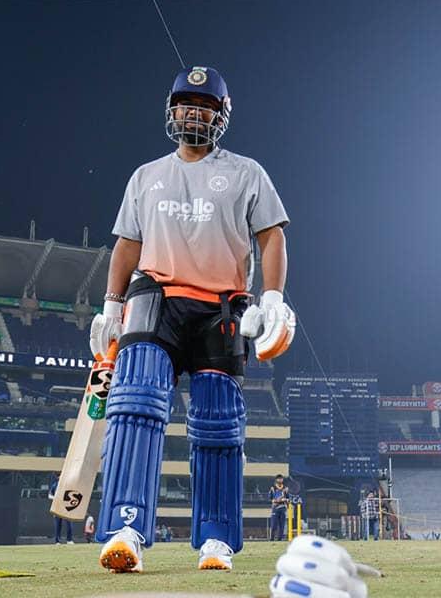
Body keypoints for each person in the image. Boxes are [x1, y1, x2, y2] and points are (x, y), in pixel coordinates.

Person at [90, 65, 293, 573]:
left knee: (219, 422)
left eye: (204, 106)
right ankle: (125, 530)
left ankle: (216, 539)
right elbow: (127, 244)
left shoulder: (247, 172)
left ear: (221, 115)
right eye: (185, 104)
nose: (193, 113)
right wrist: (111, 304)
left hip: (222, 305)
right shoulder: (146, 176)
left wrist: (272, 298)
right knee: (135, 404)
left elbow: (272, 236)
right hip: (155, 296)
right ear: (172, 111)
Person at [48, 475, 74, 544]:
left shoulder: (68, 485)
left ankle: (69, 540)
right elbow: (49, 495)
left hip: (66, 507)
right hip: (57, 507)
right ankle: (57, 541)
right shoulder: (55, 485)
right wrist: (55, 498)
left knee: (69, 524)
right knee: (58, 525)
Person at [268, 475, 290, 541]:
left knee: (282, 525)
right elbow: (270, 498)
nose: (280, 480)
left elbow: (288, 498)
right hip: (275, 507)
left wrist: (286, 500)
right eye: (279, 479)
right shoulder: (273, 488)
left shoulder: (285, 488)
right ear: (276, 480)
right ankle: (272, 538)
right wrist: (276, 500)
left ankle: (280, 539)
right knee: (274, 524)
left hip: (283, 508)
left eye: (281, 479)